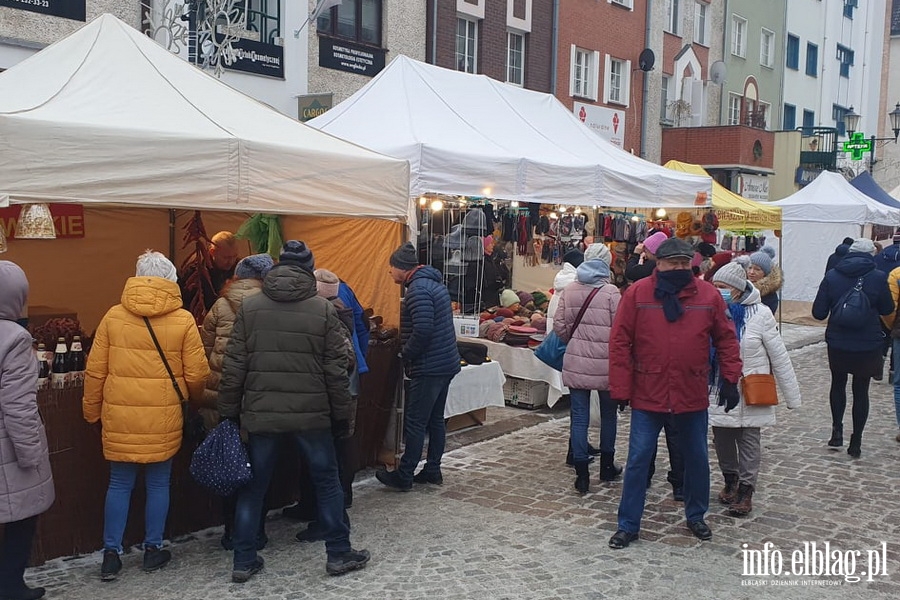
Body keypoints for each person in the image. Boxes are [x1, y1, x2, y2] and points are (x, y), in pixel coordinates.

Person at [217, 241, 369, 582]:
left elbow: (234, 366)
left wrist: (228, 413)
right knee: (327, 483)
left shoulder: (251, 308)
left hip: (262, 414)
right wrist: (341, 415)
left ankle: (243, 559)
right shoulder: (323, 309)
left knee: (254, 488)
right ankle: (339, 553)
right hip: (312, 415)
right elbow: (336, 370)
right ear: (308, 269)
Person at [607, 238, 742, 549]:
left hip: (690, 391)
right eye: (673, 263)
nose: (679, 268)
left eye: (685, 263)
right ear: (659, 264)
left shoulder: (707, 295)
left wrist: (731, 379)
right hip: (647, 391)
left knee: (696, 458)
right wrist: (620, 387)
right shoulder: (638, 294)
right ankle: (628, 524)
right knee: (639, 458)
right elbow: (619, 343)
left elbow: (726, 338)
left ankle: (696, 515)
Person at [84, 251, 209, 581]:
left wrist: (91, 413)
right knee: (158, 483)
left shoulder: (113, 317)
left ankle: (111, 555)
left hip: (119, 415)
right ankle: (153, 550)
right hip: (164, 415)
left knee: (119, 483)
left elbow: (94, 372)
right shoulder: (182, 320)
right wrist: (192, 401)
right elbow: (197, 374)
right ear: (171, 279)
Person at [710, 262, 801, 516]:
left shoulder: (760, 314)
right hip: (719, 388)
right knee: (722, 439)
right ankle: (730, 480)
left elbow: (779, 355)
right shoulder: (711, 311)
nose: (719, 292)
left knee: (749, 441)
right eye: (715, 287)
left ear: (737, 289)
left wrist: (792, 395)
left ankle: (746, 491)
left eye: (723, 287)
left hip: (751, 388)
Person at [200, 253, 274, 551]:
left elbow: (203, 352)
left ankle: (231, 531)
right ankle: (256, 531)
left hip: (220, 398)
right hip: (259, 397)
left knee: (229, 465)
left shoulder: (219, 305)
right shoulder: (271, 306)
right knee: (258, 468)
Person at [376, 242, 461, 491]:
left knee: (415, 421)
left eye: (391, 268)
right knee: (435, 420)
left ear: (401, 269)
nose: (390, 272)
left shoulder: (418, 290)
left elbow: (423, 330)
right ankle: (432, 469)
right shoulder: (434, 284)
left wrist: (406, 353)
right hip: (446, 362)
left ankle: (404, 475)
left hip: (430, 365)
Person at [0, 261, 55, 600]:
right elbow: (18, 406)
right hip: (7, 448)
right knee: (21, 519)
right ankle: (10, 586)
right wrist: (30, 455)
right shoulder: (16, 339)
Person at [812, 238, 893, 458]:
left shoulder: (832, 276)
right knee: (861, 390)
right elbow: (888, 308)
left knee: (838, 384)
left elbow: (818, 313)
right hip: (867, 343)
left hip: (838, 340)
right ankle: (856, 440)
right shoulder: (878, 277)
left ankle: (836, 431)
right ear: (871, 255)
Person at [553, 244, 621, 494]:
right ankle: (606, 466)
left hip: (576, 360)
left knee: (579, 417)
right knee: (608, 416)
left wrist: (575, 341)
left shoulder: (570, 289)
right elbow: (620, 331)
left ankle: (581, 474)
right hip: (606, 364)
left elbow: (559, 326)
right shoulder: (612, 292)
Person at [181, 231, 241, 313]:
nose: (231, 261)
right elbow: (187, 300)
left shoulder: (239, 266)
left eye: (234, 256)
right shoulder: (196, 267)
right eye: (226, 258)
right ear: (212, 252)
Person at [747, 246, 782, 314]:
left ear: (765, 273)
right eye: (750, 268)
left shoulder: (769, 296)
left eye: (757, 269)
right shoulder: (740, 287)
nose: (751, 272)